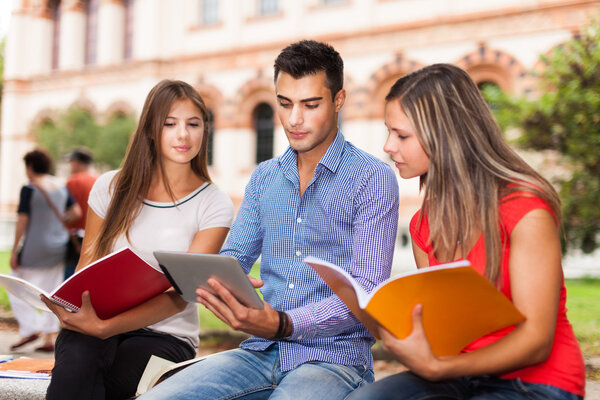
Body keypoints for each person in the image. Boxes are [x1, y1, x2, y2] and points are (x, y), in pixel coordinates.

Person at [141, 40, 399, 399]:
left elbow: (366, 292)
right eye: (284, 103)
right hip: (259, 352)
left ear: (338, 100)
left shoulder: (373, 178)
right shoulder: (265, 177)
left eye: (311, 105)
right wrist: (219, 282)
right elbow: (233, 258)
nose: (294, 119)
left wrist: (284, 324)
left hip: (334, 360)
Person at [347, 63, 585, 399]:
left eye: (401, 135)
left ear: (445, 136)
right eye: (389, 132)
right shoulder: (422, 225)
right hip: (459, 376)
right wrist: (395, 331)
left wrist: (439, 368)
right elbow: (445, 330)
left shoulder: (524, 209)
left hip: (536, 382)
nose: (388, 146)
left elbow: (537, 342)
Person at [43, 79, 234, 400]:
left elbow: (182, 294)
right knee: (77, 364)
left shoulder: (213, 203)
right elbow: (87, 261)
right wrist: (69, 306)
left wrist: (107, 328)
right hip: (93, 321)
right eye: (170, 124)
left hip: (167, 335)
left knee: (116, 381)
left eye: (194, 124)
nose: (183, 135)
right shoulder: (109, 187)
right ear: (149, 130)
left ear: (205, 130)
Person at [9, 148, 81, 352]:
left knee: (15, 285)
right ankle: (49, 338)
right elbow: (76, 212)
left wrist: (15, 250)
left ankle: (31, 328)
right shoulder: (60, 186)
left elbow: (22, 221)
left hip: (34, 248)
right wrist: (56, 224)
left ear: (30, 167)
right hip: (58, 248)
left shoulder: (29, 189)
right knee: (51, 292)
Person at [64, 147, 98, 279]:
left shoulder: (73, 181)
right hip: (95, 237)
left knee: (70, 277)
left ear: (77, 162)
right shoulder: (99, 180)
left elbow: (68, 210)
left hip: (75, 239)